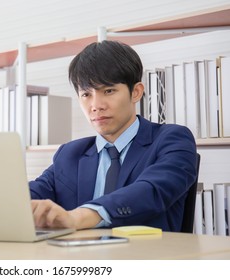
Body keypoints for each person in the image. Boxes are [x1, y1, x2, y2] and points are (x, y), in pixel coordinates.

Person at [30, 40, 197, 232]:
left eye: (108, 91)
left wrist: (79, 216)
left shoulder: (172, 139)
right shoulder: (70, 154)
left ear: (136, 92)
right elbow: (35, 192)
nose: (96, 105)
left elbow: (151, 191)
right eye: (86, 94)